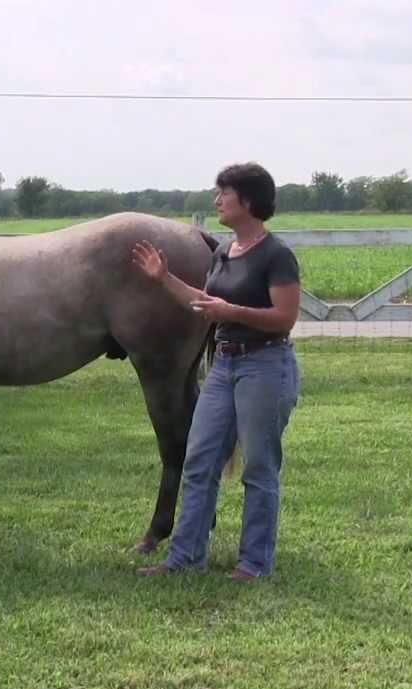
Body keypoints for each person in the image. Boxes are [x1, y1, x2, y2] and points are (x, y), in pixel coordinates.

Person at [133, 162, 301, 581]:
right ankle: (185, 558)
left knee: (260, 467)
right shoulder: (223, 253)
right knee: (199, 459)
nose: (217, 200)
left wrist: (232, 312)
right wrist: (163, 278)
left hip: (266, 365)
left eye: (223, 193)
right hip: (224, 366)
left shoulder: (277, 255)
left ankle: (254, 563)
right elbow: (204, 302)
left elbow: (285, 317)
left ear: (247, 200)